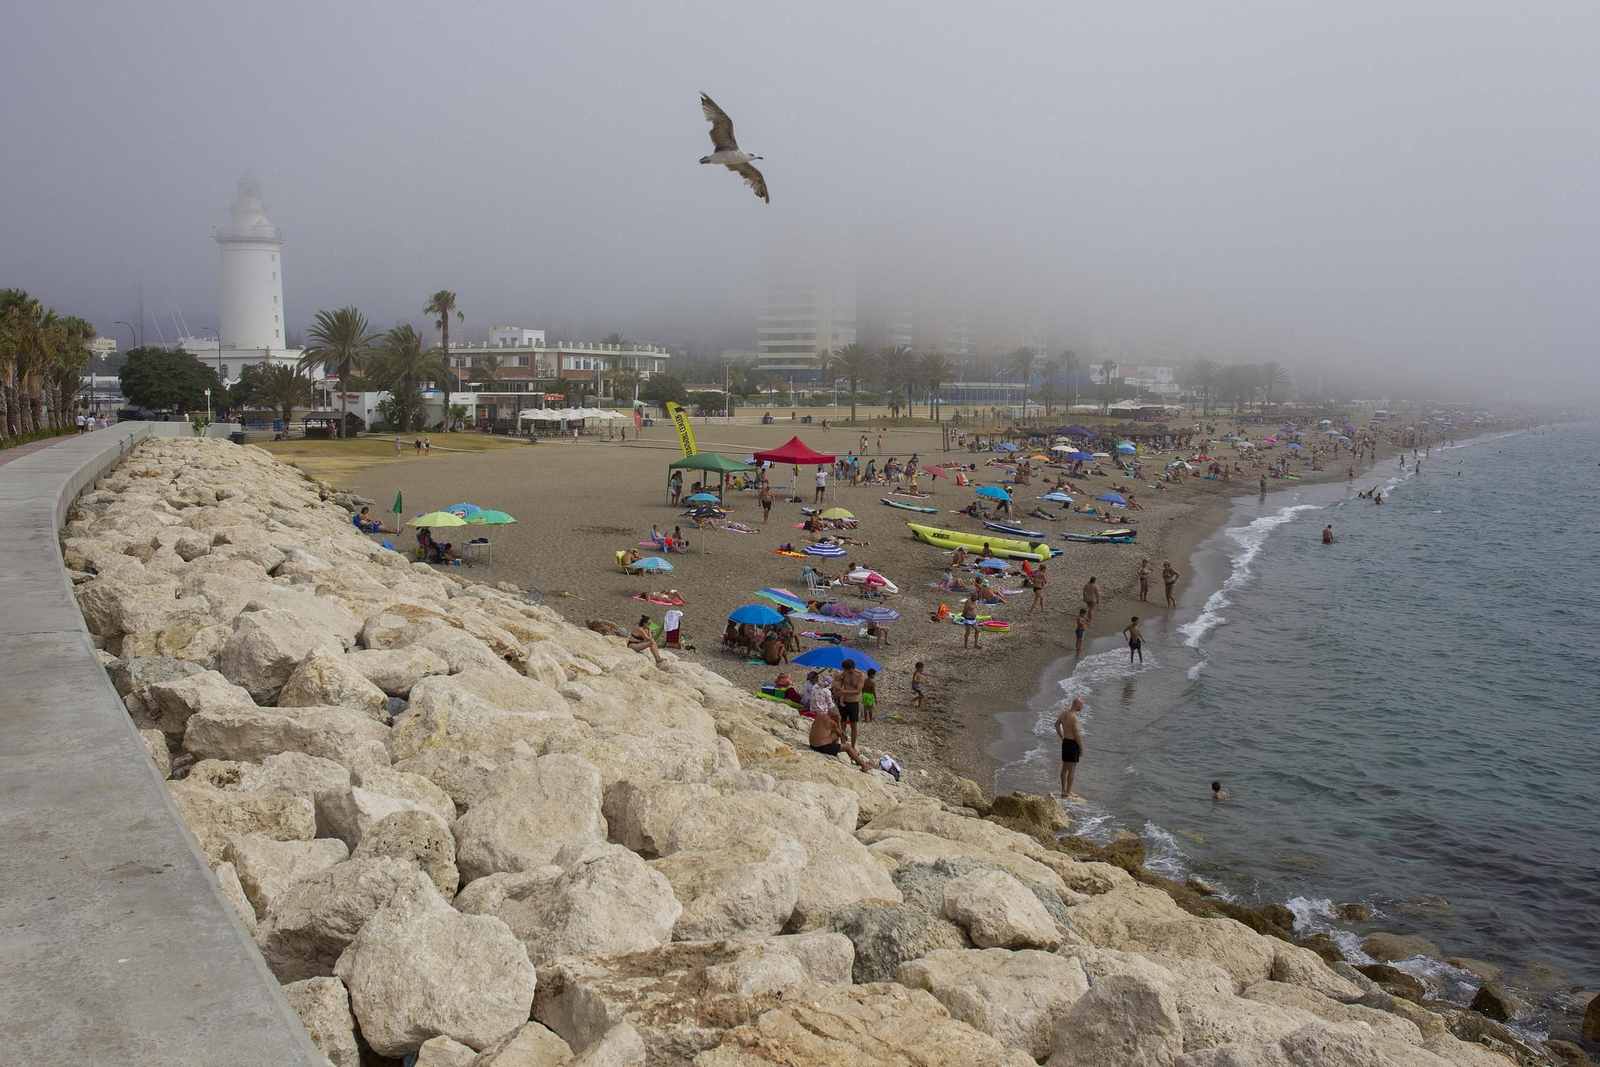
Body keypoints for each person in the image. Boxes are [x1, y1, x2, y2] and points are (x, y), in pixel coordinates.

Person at [808, 704, 869, 770]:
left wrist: (842, 733)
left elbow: (837, 732)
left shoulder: (821, 716)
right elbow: (840, 733)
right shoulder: (831, 723)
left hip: (813, 745)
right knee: (848, 747)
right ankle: (863, 765)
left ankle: (835, 752)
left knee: (835, 734)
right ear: (836, 715)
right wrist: (839, 721)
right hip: (822, 747)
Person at [832, 658, 867, 747]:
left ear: (851, 668)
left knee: (854, 726)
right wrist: (836, 681)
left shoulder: (861, 675)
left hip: (853, 702)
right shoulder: (844, 674)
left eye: (846, 669)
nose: (845, 671)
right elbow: (837, 686)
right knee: (842, 724)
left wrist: (844, 691)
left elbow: (858, 691)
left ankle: (853, 746)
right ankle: (843, 744)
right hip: (844, 702)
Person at [1055, 697, 1083, 799]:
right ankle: (1068, 791)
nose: (1082, 707)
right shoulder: (1074, 718)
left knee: (1064, 767)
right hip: (1072, 743)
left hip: (1065, 741)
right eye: (1081, 705)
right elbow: (1077, 734)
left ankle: (1063, 790)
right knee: (1072, 769)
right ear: (1076, 705)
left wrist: (1061, 736)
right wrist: (1080, 747)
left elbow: (1056, 725)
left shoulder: (1064, 714)